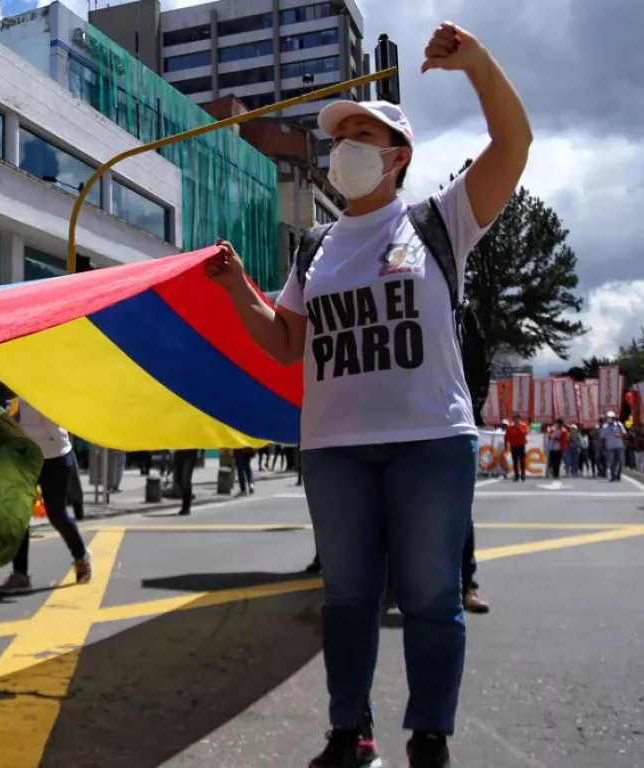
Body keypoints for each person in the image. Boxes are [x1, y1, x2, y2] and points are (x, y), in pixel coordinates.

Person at [206, 22, 531, 767]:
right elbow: (287, 342)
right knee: (347, 598)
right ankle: (348, 734)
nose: (344, 146)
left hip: (431, 441)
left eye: (362, 134)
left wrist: (478, 65)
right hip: (335, 449)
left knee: (428, 596)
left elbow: (512, 147)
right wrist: (236, 291)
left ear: (397, 157)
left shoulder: (437, 221)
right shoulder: (315, 248)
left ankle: (429, 738)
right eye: (338, 136)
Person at [0, 399, 91, 596]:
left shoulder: (43, 393)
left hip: (55, 459)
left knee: (57, 514)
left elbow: (55, 431)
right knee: (19, 515)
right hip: (27, 459)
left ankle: (81, 557)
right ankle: (20, 575)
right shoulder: (19, 395)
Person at [173, 449, 201, 516]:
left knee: (185, 479)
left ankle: (186, 507)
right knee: (177, 478)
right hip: (179, 451)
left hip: (190, 453)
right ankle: (188, 495)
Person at [602, 411, 627, 482]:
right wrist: (604, 448)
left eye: (610, 417)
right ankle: (613, 476)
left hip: (619, 447)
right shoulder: (605, 427)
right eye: (608, 417)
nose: (609, 419)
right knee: (611, 462)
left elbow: (625, 434)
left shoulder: (619, 425)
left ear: (613, 418)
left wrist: (619, 435)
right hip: (610, 448)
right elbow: (603, 438)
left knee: (621, 462)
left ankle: (618, 475)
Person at [506, 416, 529, 482]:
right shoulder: (510, 427)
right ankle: (516, 475)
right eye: (514, 419)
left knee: (522, 460)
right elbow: (508, 436)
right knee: (515, 461)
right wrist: (507, 444)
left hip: (521, 445)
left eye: (517, 419)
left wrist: (519, 428)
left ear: (519, 419)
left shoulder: (523, 425)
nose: (516, 420)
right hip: (513, 446)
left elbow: (525, 433)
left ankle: (523, 474)